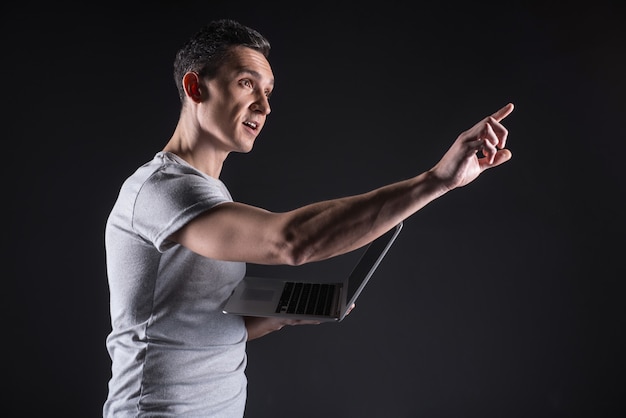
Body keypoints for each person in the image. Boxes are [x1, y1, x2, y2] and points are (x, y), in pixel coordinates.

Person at [102, 18, 514, 417]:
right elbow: (291, 241)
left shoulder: (209, 193)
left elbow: (208, 323)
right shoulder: (164, 190)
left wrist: (289, 311)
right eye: (247, 83)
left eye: (268, 92)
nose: (263, 106)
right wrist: (435, 181)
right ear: (195, 87)